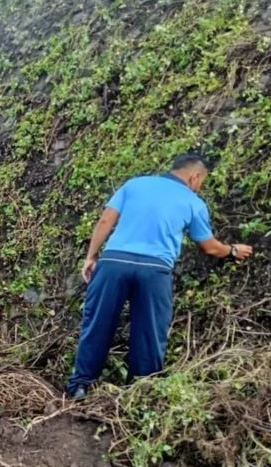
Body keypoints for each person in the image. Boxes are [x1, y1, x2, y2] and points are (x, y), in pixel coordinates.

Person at [66, 152, 254, 400]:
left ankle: (81, 386)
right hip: (154, 270)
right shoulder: (193, 202)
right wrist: (231, 251)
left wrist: (91, 257)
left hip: (113, 263)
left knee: (97, 323)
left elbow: (105, 221)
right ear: (195, 177)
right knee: (149, 331)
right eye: (202, 183)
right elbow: (209, 246)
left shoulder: (135, 184)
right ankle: (141, 393)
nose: (199, 188)